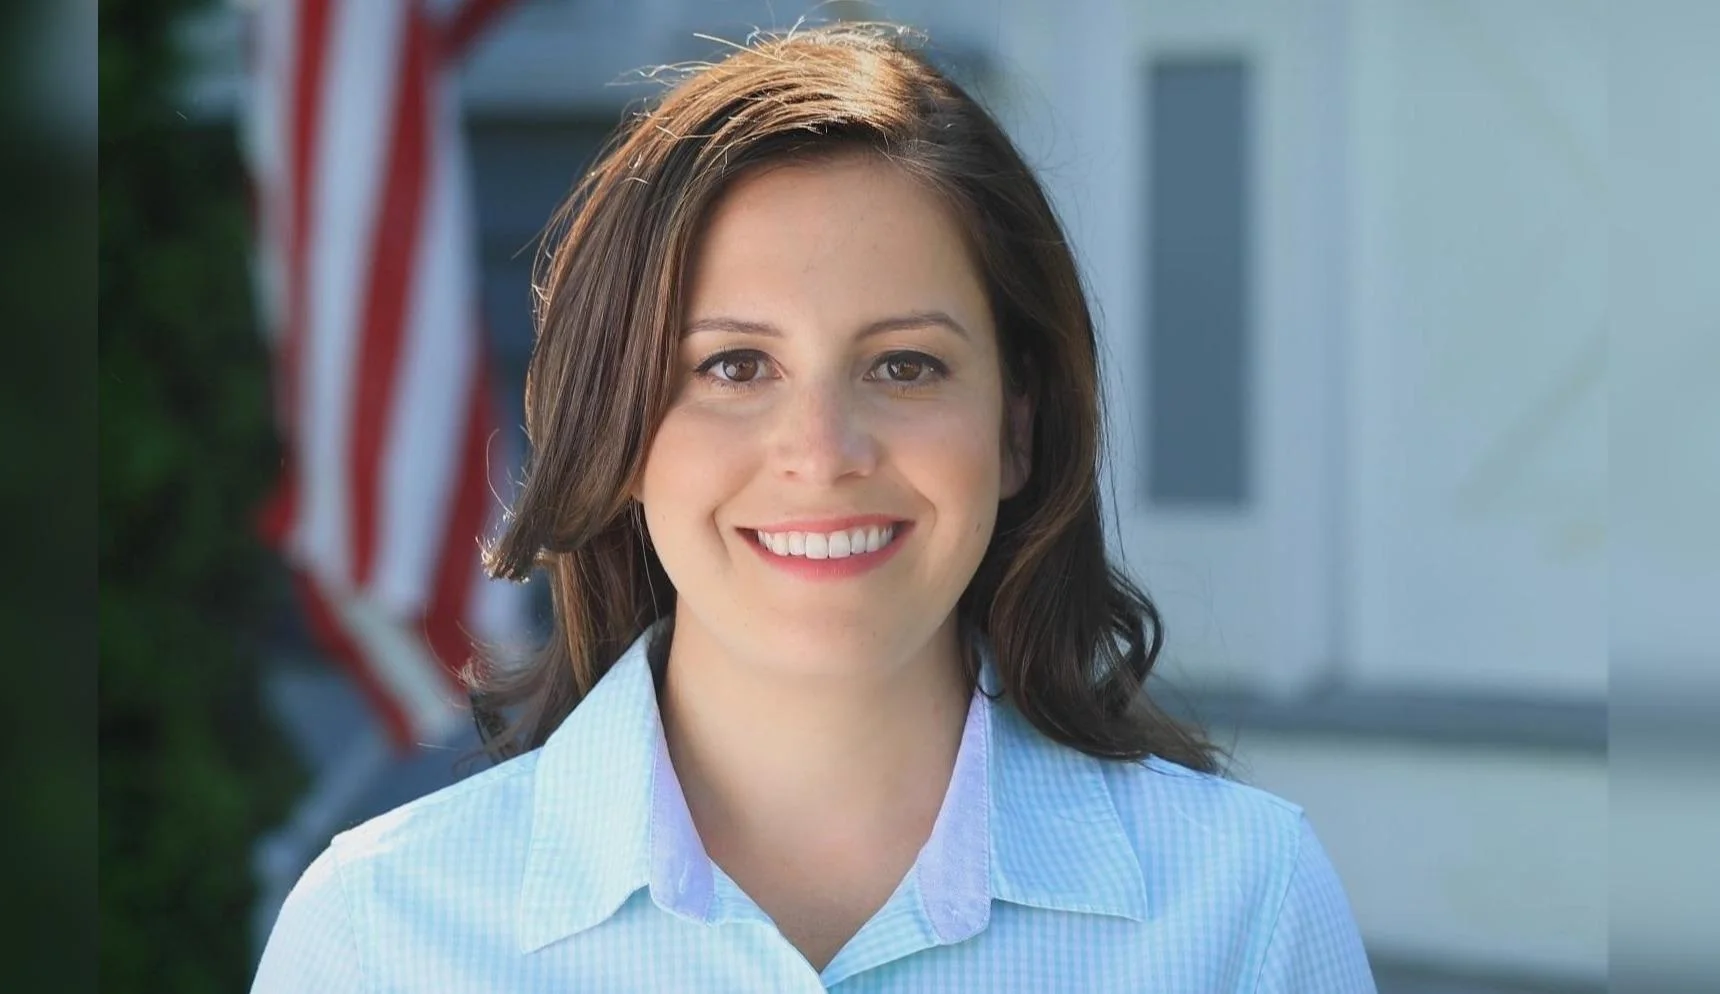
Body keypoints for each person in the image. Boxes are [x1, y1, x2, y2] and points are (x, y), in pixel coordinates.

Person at [252, 23, 1376, 992]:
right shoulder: (380, 934)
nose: (823, 453)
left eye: (904, 366)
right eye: (734, 367)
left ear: (1017, 429)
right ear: (619, 431)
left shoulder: (1242, 902)